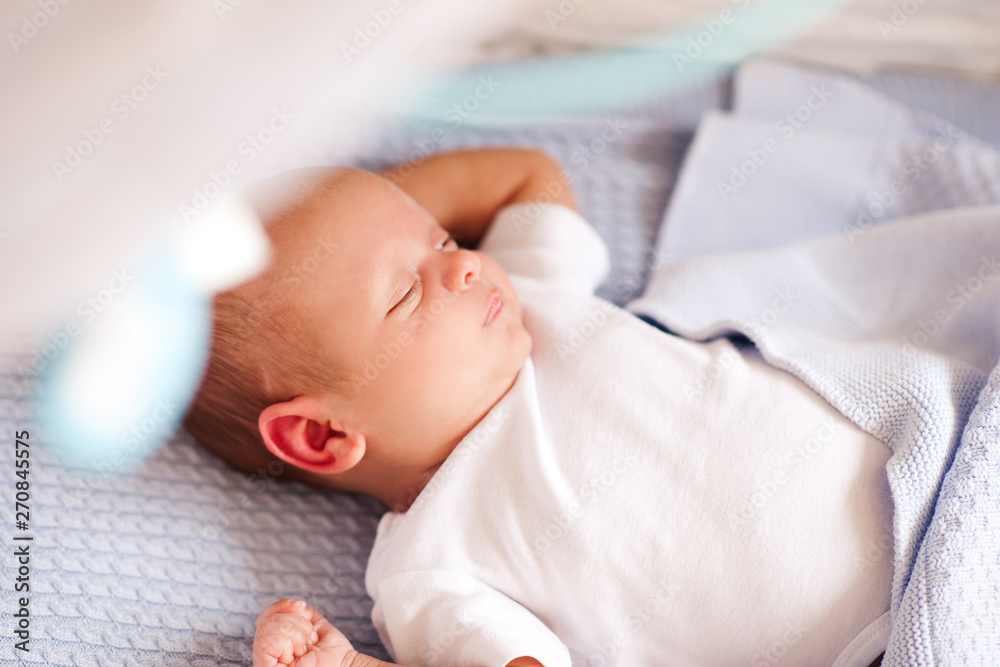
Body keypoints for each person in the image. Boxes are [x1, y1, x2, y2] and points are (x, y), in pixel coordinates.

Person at [183, 148, 894, 667]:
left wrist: (344, 212)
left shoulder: (529, 297)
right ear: (320, 434)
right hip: (882, 633)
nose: (462, 265)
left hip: (926, 462)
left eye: (443, 239)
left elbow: (525, 175)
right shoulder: (432, 564)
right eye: (405, 292)